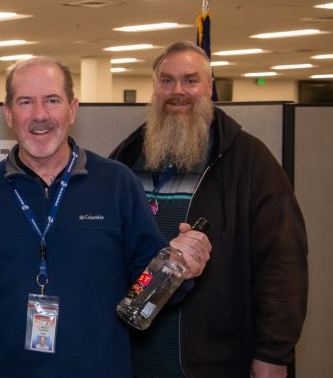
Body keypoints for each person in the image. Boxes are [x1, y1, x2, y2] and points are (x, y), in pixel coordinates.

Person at [0, 56, 211, 377]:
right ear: (8, 113)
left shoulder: (117, 183)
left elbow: (148, 284)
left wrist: (180, 268)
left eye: (52, 100)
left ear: (72, 108)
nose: (40, 115)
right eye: (26, 102)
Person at [110, 41, 308, 378]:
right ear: (155, 87)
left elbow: (282, 266)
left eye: (190, 80)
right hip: (133, 360)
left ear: (210, 87)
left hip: (215, 361)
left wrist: (273, 355)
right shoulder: (125, 159)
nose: (178, 92)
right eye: (166, 80)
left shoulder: (250, 163)